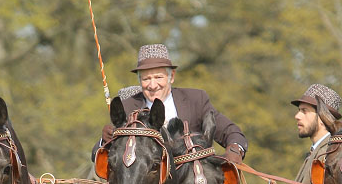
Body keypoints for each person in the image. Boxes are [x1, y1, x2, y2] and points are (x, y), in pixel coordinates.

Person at [98, 44, 247, 162]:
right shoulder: (128, 106)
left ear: (172, 77)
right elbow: (96, 154)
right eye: (146, 79)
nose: (152, 85)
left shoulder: (196, 100)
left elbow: (231, 131)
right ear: (139, 80)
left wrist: (235, 149)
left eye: (158, 77)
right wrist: (104, 142)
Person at [289, 83, 342, 184]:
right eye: (299, 110)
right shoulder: (318, 150)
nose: (297, 116)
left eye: (304, 111)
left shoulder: (329, 153)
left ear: (324, 118)